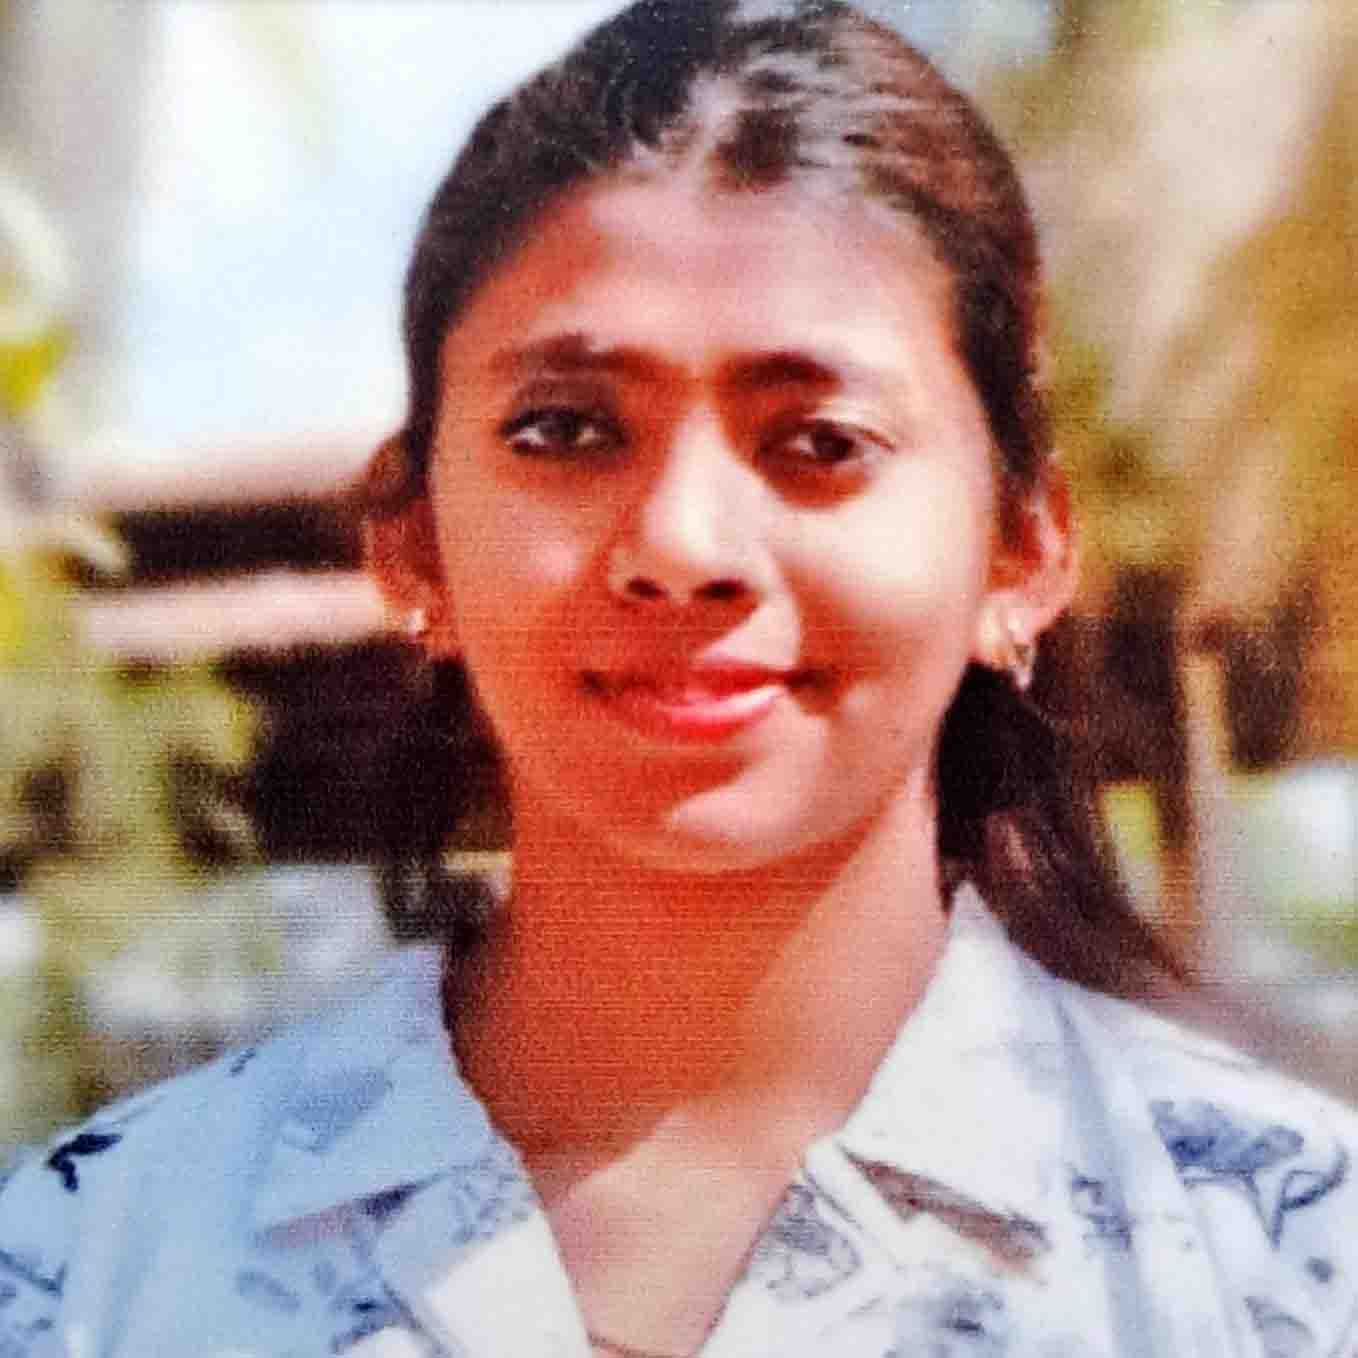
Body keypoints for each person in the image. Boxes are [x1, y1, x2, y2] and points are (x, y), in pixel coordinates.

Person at [2, 2, 1356, 1354]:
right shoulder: (88, 1268)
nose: (683, 546)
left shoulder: (1288, 1260)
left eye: (819, 441)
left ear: (1020, 549)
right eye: (566, 430)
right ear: (411, 543)